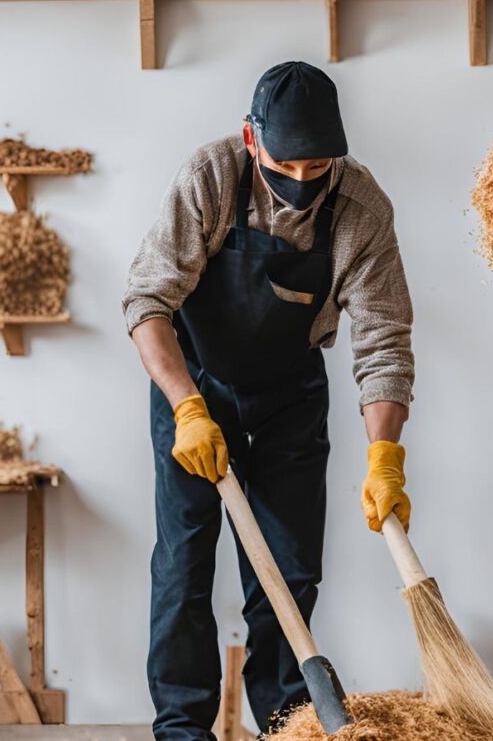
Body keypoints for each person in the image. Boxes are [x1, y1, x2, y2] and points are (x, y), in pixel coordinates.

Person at [123, 61, 415, 741]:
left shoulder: (360, 207)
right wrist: (188, 409)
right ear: (252, 140)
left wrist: (385, 456)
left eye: (321, 167)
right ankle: (182, 731)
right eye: (290, 164)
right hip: (194, 387)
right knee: (184, 564)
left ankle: (290, 726)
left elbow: (383, 343)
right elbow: (147, 302)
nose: (305, 182)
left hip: (290, 393)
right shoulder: (211, 178)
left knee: (289, 571)